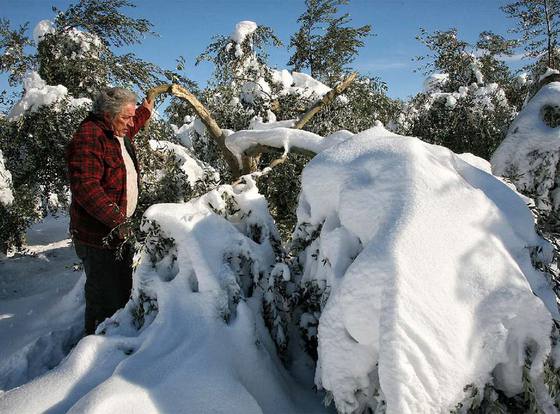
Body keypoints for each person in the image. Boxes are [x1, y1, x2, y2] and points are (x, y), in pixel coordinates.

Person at [67, 87, 153, 335]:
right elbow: (86, 187)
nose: (130, 122)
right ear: (107, 114)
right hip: (98, 238)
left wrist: (144, 112)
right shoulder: (89, 137)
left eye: (132, 115)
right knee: (104, 299)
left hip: (118, 232)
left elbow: (133, 123)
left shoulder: (119, 130)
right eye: (126, 117)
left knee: (121, 289)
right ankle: (92, 350)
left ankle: (114, 341)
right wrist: (118, 221)